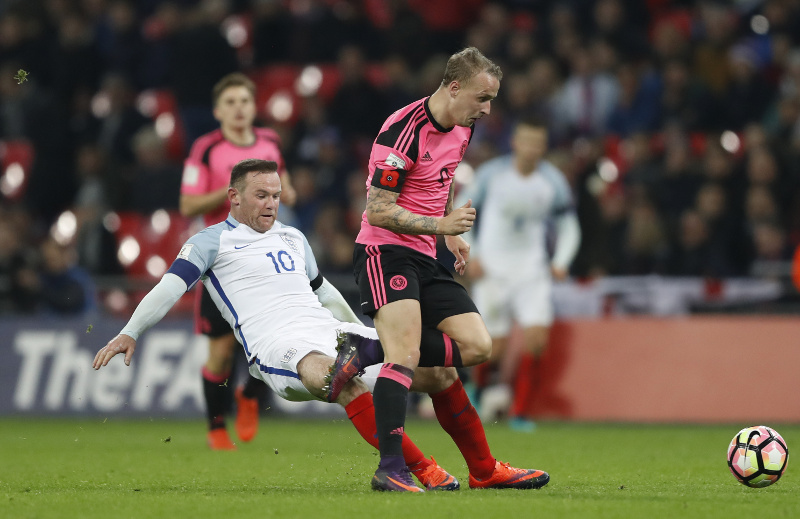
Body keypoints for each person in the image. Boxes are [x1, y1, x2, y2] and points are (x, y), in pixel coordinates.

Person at [92, 159, 549, 493]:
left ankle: (485, 470)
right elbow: (169, 288)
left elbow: (324, 292)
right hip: (277, 346)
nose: (271, 203)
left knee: (440, 372)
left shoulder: (293, 237)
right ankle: (421, 468)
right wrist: (131, 331)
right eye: (260, 195)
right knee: (340, 378)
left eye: (276, 195)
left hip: (330, 330)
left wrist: (364, 334)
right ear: (234, 197)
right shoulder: (209, 243)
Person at [330, 47, 549, 491]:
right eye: (482, 98)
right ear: (454, 87)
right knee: (406, 356)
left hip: (426, 254)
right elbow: (377, 210)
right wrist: (441, 225)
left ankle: (370, 351)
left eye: (492, 100)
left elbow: (441, 178)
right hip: (384, 253)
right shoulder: (401, 132)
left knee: (476, 347)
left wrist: (448, 230)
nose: (487, 110)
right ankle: (391, 471)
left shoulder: (463, 126)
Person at [179, 72, 297, 450]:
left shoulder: (270, 142)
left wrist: (286, 192)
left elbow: (286, 188)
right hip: (222, 259)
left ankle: (250, 396)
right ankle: (216, 427)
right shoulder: (206, 149)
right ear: (217, 111)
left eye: (244, 101)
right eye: (230, 102)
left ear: (254, 106)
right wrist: (237, 191)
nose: (238, 109)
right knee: (222, 350)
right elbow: (187, 204)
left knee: (277, 341)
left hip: (265, 256)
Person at [460, 117, 582, 431]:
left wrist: (561, 260)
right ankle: (477, 390)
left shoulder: (552, 181)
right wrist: (471, 252)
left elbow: (569, 225)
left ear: (544, 146)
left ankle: (520, 412)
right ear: (515, 142)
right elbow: (461, 210)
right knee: (492, 348)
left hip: (532, 271)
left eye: (538, 143)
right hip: (493, 270)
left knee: (536, 341)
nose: (531, 149)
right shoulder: (491, 175)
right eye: (526, 141)